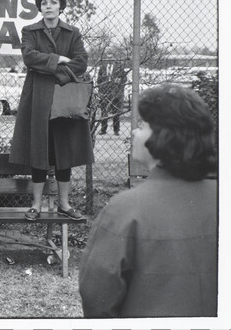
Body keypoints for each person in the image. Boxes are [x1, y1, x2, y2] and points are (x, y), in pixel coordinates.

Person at [79, 85, 217, 317]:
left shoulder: (125, 209)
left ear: (163, 136)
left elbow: (97, 297)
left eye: (142, 125)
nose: (134, 131)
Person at [9, 0, 94, 221]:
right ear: (39, 7)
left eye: (53, 2)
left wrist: (56, 71)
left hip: (64, 97)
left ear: (60, 6)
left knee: (63, 151)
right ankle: (35, 205)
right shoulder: (29, 31)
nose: (48, 6)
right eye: (44, 2)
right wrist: (59, 59)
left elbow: (81, 62)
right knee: (39, 151)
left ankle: (64, 204)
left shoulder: (73, 32)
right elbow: (29, 57)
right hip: (38, 98)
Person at [97, 54, 127, 135]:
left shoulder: (119, 67)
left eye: (111, 58)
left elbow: (125, 78)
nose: (109, 59)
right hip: (105, 92)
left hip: (115, 92)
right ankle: (103, 130)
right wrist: (101, 89)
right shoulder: (102, 67)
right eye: (108, 58)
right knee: (104, 112)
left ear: (114, 58)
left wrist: (120, 80)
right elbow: (98, 80)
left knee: (115, 112)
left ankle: (116, 130)